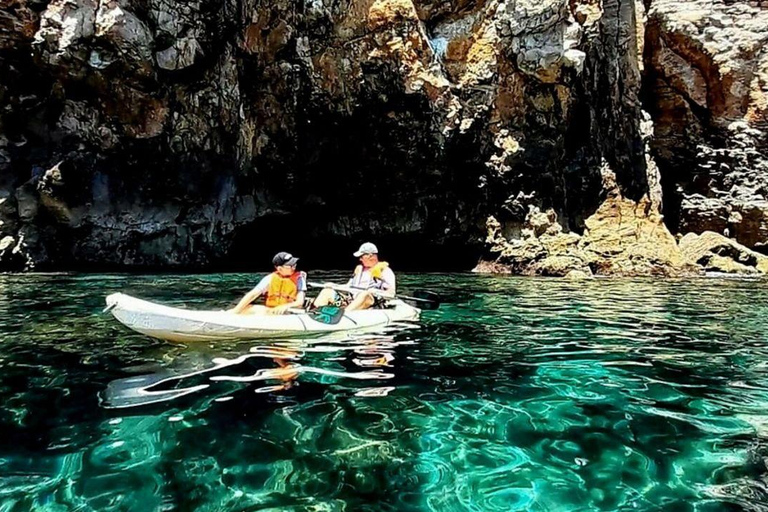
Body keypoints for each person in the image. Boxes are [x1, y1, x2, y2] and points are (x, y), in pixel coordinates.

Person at [313, 242, 396, 311]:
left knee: (365, 294)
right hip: (351, 300)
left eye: (361, 256)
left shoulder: (385, 271)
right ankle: (315, 311)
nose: (360, 259)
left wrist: (375, 291)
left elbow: (391, 293)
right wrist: (334, 286)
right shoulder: (359, 269)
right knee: (327, 291)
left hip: (371, 302)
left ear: (371, 256)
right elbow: (348, 287)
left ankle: (345, 314)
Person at [230, 252, 307, 315]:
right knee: (246, 308)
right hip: (272, 311)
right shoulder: (269, 278)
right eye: (291, 266)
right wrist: (236, 310)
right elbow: (253, 294)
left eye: (294, 264)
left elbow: (300, 302)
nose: (294, 267)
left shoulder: (299, 279)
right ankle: (230, 314)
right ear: (279, 268)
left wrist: (284, 307)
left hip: (290, 312)